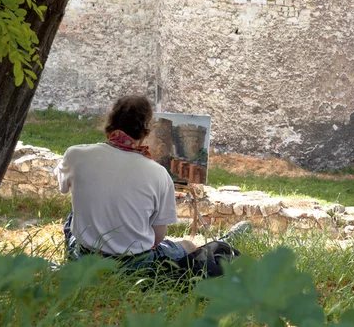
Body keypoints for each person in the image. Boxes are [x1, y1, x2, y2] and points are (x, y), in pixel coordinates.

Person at [54, 94, 239, 278]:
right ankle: (226, 242)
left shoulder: (75, 155)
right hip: (136, 265)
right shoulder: (158, 173)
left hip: (84, 259)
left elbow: (63, 188)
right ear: (147, 129)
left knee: (72, 217)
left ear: (110, 121)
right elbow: (157, 238)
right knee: (188, 247)